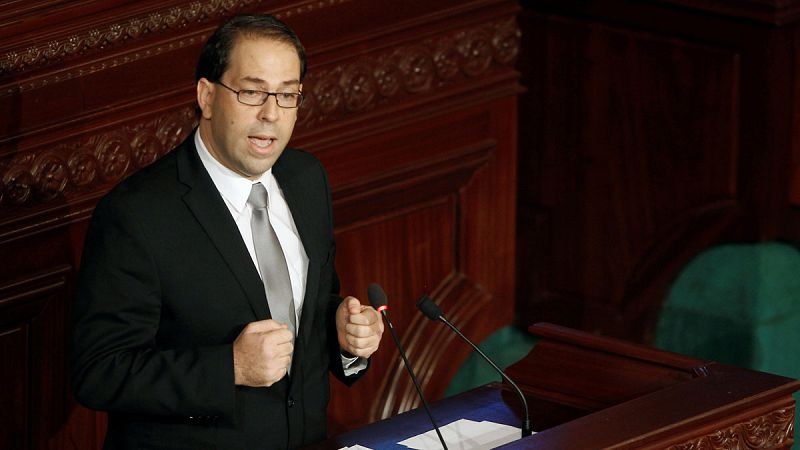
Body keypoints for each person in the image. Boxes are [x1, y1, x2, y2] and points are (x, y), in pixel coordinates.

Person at [70, 13, 384, 450]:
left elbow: (305, 310)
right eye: (252, 92)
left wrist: (346, 336)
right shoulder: (137, 215)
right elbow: (99, 371)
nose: (271, 114)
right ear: (207, 96)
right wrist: (230, 368)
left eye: (287, 95)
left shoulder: (306, 179)